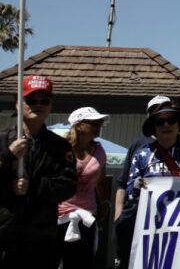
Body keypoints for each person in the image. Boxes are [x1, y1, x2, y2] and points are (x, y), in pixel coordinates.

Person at [0, 75, 77, 269]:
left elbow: (68, 186)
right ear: (19, 105)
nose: (38, 105)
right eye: (31, 100)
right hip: (4, 235)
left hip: (41, 239)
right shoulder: (2, 139)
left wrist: (34, 185)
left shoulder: (60, 146)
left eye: (45, 100)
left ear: (51, 105)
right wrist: (9, 155)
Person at [123, 101, 180, 265]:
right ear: (153, 129)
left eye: (171, 120)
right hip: (152, 229)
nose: (166, 125)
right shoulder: (142, 155)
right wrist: (138, 185)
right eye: (160, 122)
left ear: (179, 125)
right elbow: (130, 192)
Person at [113, 94, 174, 267]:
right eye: (158, 116)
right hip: (138, 220)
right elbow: (122, 183)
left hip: (172, 223)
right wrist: (119, 215)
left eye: (169, 115)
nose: (164, 120)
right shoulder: (138, 145)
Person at [58, 106, 109, 269]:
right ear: (78, 125)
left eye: (99, 122)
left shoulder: (99, 150)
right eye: (93, 122)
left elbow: (100, 180)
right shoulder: (60, 148)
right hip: (58, 216)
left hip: (87, 216)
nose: (98, 126)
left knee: (83, 263)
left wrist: (105, 202)